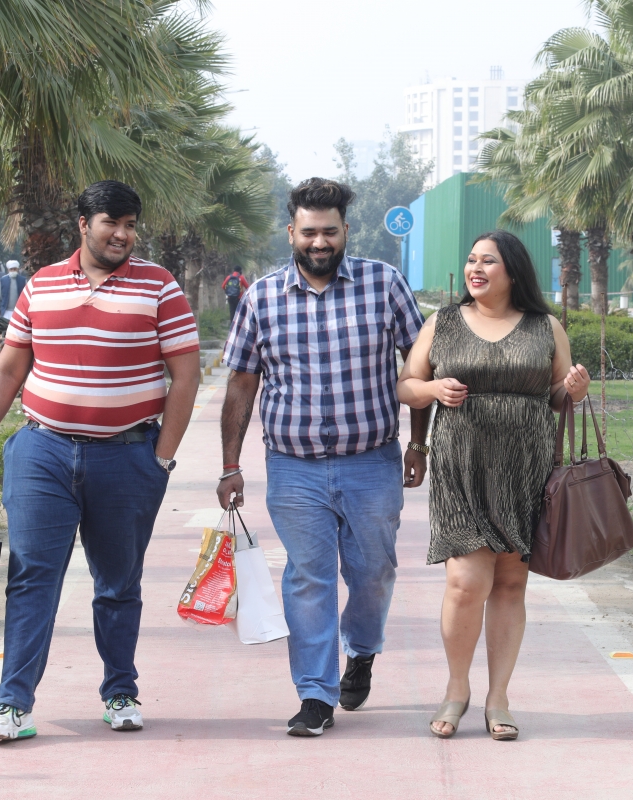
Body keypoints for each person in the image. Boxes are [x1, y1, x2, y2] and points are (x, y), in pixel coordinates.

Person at [0, 180, 201, 742]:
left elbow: (184, 377)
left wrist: (160, 459)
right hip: (41, 452)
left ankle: (120, 692)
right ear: (83, 224)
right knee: (33, 577)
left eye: (131, 224)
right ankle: (13, 705)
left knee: (118, 583)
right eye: (112, 222)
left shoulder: (159, 287)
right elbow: (9, 371)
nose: (123, 234)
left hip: (127, 457)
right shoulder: (40, 286)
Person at [218, 178, 430, 737]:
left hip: (371, 462)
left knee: (373, 572)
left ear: (345, 232)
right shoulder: (261, 297)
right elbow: (241, 384)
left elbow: (420, 367)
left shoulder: (384, 286)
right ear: (292, 232)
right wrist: (230, 463)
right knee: (309, 577)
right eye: (308, 231)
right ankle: (315, 693)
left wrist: (418, 441)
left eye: (329, 231)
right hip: (294, 468)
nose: (319, 241)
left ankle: (360, 649)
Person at [396, 230, 590, 741]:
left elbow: (556, 397)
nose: (475, 268)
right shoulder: (444, 322)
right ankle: (456, 688)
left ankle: (498, 695)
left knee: (509, 583)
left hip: (525, 466)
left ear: (513, 271)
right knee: (465, 583)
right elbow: (406, 385)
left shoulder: (545, 326)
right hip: (461, 465)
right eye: (471, 259)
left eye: (488, 261)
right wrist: (433, 387)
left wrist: (573, 389)